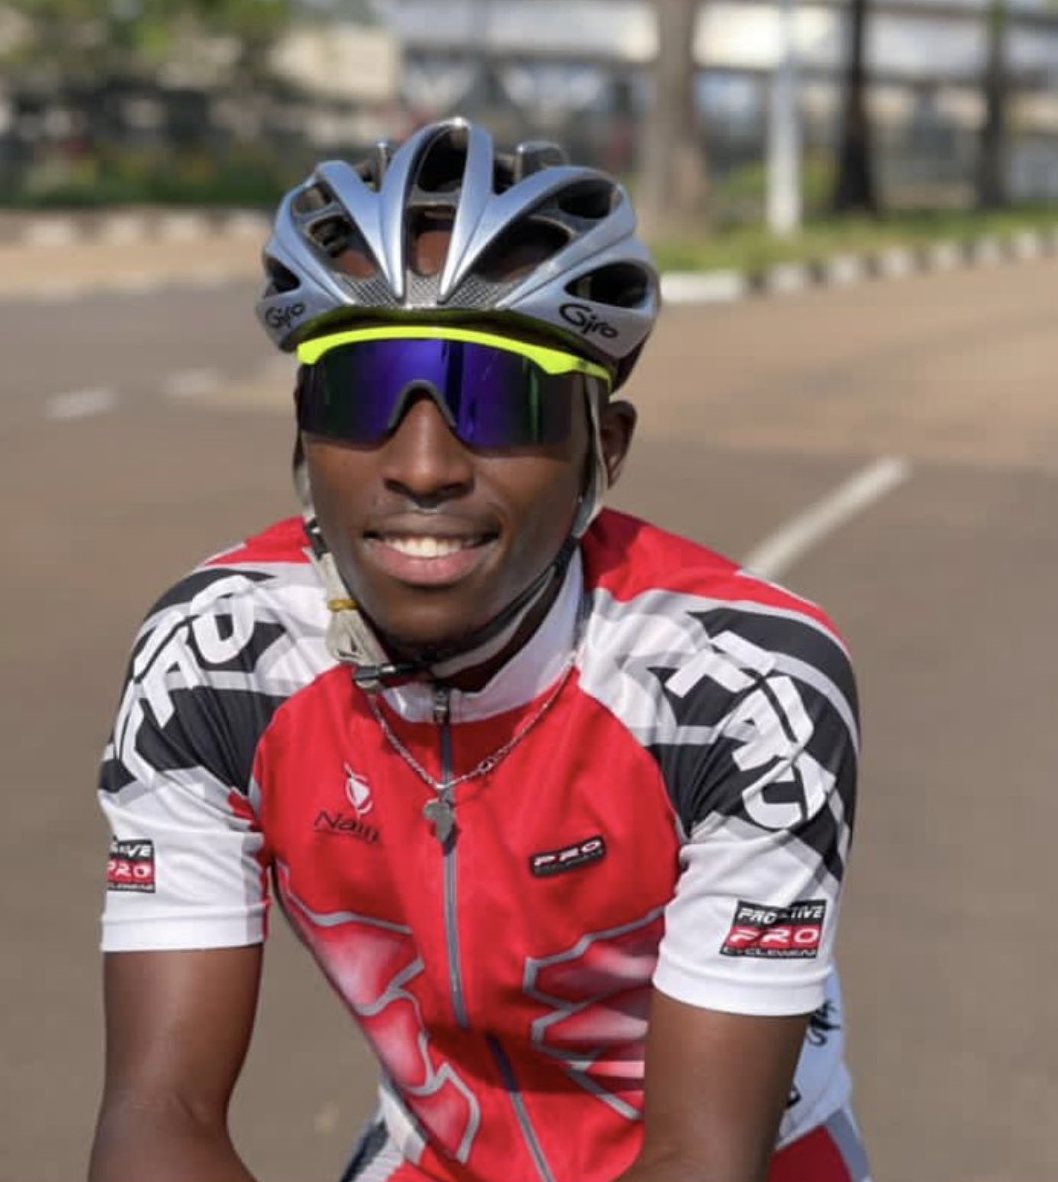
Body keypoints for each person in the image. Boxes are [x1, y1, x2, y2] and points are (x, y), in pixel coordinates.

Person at [89, 117, 869, 1182]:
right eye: (363, 392)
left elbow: (701, 1153)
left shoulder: (741, 689)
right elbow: (160, 1108)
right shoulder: (215, 662)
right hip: (435, 1153)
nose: (423, 467)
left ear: (605, 449)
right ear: (303, 432)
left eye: (499, 400)